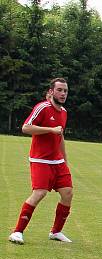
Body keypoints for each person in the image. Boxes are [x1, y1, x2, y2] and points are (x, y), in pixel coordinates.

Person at [8, 78, 73, 245]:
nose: (63, 93)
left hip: (57, 162)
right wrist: (50, 129)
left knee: (67, 194)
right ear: (51, 91)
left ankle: (56, 232)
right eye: (59, 90)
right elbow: (26, 127)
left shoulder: (64, 112)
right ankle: (17, 232)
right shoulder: (42, 108)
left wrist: (65, 159)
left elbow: (60, 136)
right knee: (40, 193)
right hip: (40, 160)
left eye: (65, 90)